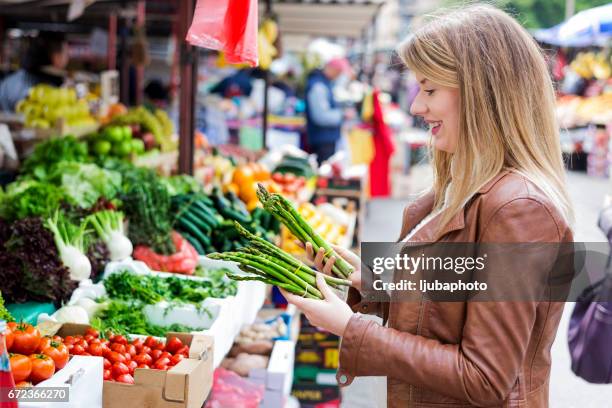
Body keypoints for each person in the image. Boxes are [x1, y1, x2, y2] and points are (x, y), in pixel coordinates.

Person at [281, 5, 574, 407]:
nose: (417, 106)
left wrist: (353, 329)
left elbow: (485, 377)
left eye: (430, 90)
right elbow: (454, 303)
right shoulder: (465, 190)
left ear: (482, 95)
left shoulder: (519, 209)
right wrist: (368, 280)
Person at [0, 32, 69, 112]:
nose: (68, 58)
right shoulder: (49, 91)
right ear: (55, 56)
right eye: (66, 53)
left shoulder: (9, 82)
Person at [305, 57, 351, 164]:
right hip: (322, 141)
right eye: (339, 72)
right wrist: (342, 115)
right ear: (332, 69)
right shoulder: (318, 86)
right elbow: (321, 116)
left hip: (324, 139)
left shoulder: (323, 83)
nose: (339, 75)